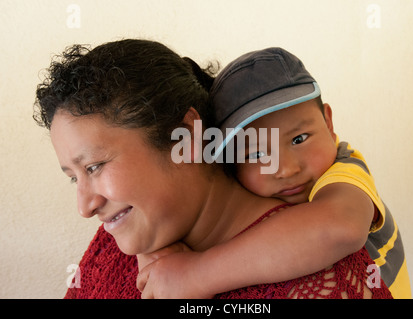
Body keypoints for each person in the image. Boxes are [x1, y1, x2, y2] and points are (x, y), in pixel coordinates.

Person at [34, 39, 392, 299]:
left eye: (95, 167)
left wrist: (194, 275)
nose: (85, 207)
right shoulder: (127, 237)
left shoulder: (325, 269)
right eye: (72, 178)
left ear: (188, 135)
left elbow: (338, 227)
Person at [136, 48, 411, 299]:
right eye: (255, 154)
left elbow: (341, 228)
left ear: (328, 123)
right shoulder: (241, 188)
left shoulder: (344, 169)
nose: (286, 168)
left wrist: (196, 275)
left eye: (300, 139)